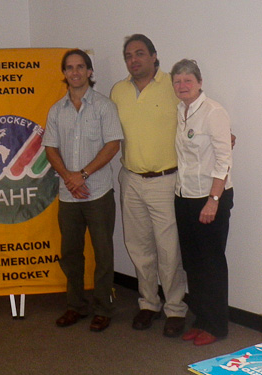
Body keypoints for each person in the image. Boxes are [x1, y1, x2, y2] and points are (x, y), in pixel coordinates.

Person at [110, 34, 188, 337]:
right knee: (139, 247)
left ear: (154, 56)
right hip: (130, 179)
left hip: (165, 181)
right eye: (128, 55)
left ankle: (176, 309)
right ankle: (149, 304)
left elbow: (194, 110)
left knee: (168, 249)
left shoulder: (172, 84)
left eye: (140, 53)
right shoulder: (118, 91)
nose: (134, 60)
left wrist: (219, 134)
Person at [42, 49, 123, 332]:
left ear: (89, 71)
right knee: (71, 254)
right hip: (68, 195)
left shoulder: (104, 106)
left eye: (80, 67)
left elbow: (113, 144)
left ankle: (103, 308)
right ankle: (75, 306)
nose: (75, 72)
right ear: (64, 73)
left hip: (98, 193)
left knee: (103, 253)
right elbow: (50, 148)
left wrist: (83, 175)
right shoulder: (56, 110)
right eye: (69, 68)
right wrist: (69, 178)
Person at [171, 59, 233, 346]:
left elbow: (224, 160)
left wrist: (213, 200)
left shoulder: (213, 111)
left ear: (199, 82)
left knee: (211, 264)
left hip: (211, 198)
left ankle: (217, 325)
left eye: (187, 80)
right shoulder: (180, 110)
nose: (182, 86)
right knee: (193, 263)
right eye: (177, 81)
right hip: (184, 196)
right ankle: (201, 318)